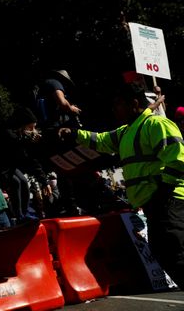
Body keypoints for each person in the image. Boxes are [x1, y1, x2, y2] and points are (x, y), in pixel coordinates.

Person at [59, 82, 184, 288]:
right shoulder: (126, 132)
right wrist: (73, 133)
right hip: (157, 205)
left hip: (169, 203)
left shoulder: (156, 124)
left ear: (134, 103)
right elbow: (100, 140)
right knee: (169, 257)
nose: (114, 109)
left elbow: (178, 160)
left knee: (177, 257)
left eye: (118, 104)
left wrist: (162, 193)